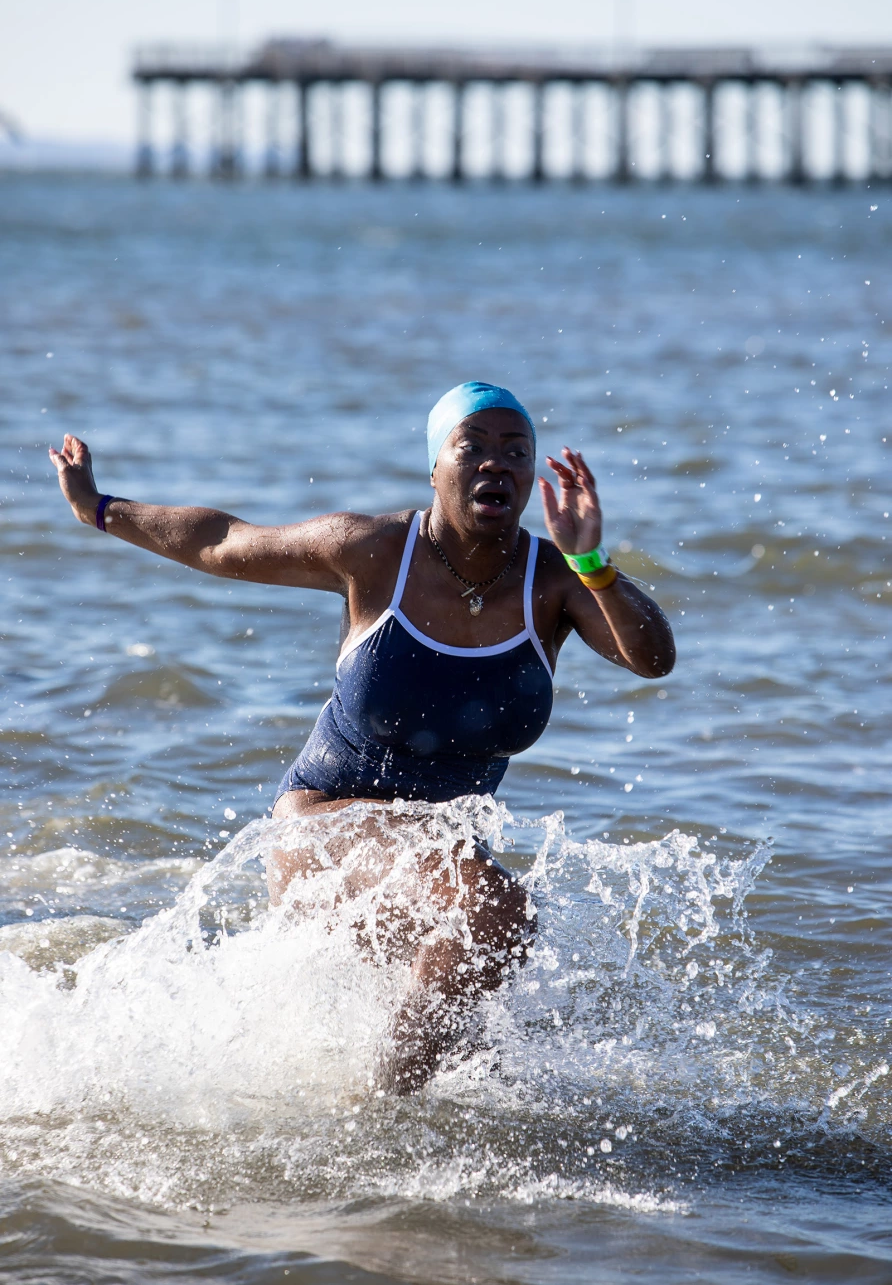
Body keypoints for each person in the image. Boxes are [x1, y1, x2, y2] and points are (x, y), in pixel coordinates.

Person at [50, 381, 675, 1091]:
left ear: (533, 477)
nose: (495, 464)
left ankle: (388, 1134)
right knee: (497, 913)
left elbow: (652, 661)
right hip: (320, 832)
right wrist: (98, 508)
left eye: (515, 451)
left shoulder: (558, 583)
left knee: (476, 1046)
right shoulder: (374, 553)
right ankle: (378, 1122)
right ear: (435, 467)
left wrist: (592, 562)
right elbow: (224, 543)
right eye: (472, 447)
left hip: (432, 862)